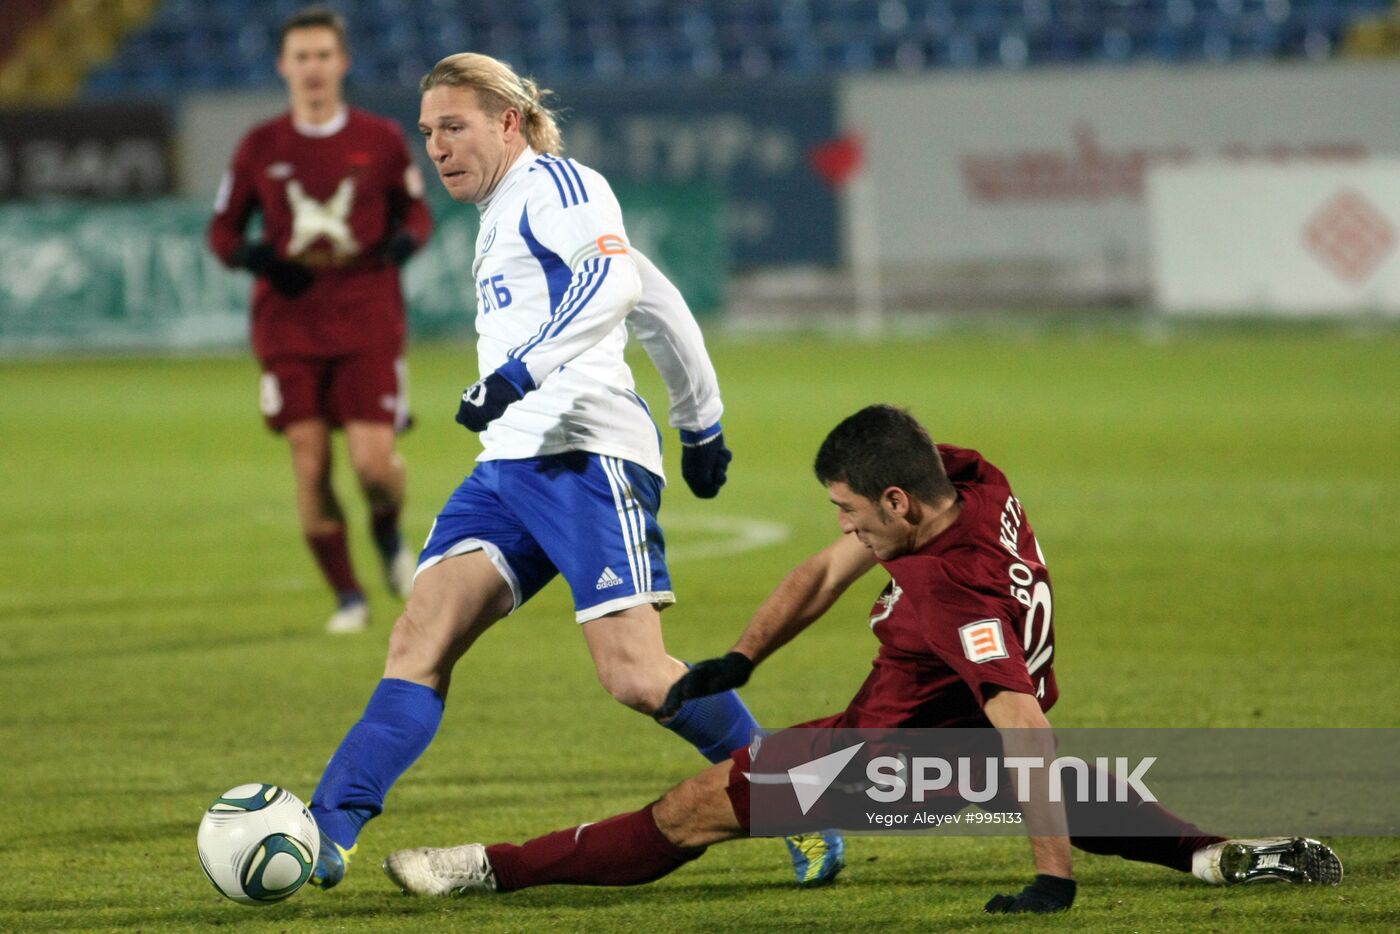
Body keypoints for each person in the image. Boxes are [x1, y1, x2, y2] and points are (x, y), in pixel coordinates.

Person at [380, 405, 1343, 913]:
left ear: (896, 503)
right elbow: (824, 571)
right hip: (956, 736)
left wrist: (1053, 880)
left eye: (850, 510)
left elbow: (1021, 722)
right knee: (1052, 783)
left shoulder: (949, 592)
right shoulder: (965, 477)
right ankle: (1219, 858)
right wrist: (744, 659)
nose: (843, 527)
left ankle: (487, 870)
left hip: (878, 761)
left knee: (686, 814)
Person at [303, 51, 843, 890]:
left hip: (586, 455)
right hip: (509, 465)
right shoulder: (504, 208)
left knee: (633, 674)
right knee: (420, 637)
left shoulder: (556, 184)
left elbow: (615, 283)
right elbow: (657, 300)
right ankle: (326, 830)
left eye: (455, 127)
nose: (437, 148)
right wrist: (700, 425)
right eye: (427, 133)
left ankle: (793, 796)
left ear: (507, 121)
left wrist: (528, 369)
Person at [208, 6, 433, 634]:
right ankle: (348, 596)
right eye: (301, 57)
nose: (312, 68)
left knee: (373, 465)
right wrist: (252, 257)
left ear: (342, 63)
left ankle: (388, 534)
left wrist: (405, 244)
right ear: (284, 66)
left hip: (367, 319)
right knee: (310, 463)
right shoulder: (262, 145)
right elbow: (222, 229)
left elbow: (418, 214)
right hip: (289, 326)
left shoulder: (382, 138)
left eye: (322, 56)